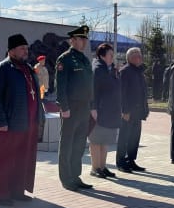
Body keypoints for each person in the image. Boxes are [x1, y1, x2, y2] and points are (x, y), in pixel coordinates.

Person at [0, 34, 44, 205]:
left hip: (26, 124)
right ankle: (0, 193)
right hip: (7, 125)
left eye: (27, 48)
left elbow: (35, 94)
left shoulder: (27, 69)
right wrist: (1, 121)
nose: (26, 51)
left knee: (20, 159)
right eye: (22, 48)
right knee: (2, 160)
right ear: (11, 50)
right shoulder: (1, 69)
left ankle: (16, 190)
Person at [55, 25, 94, 191]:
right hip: (71, 107)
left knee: (79, 144)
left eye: (85, 39)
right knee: (67, 144)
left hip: (84, 107)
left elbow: (89, 84)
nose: (84, 42)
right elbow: (60, 86)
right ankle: (66, 178)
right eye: (81, 38)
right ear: (73, 40)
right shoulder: (65, 59)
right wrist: (64, 107)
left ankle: (75, 176)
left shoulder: (84, 59)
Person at [88, 43, 121, 178]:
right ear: (102, 55)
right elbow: (93, 90)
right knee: (96, 140)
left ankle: (102, 166)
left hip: (110, 110)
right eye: (110, 55)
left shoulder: (110, 68)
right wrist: (93, 108)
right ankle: (95, 168)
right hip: (99, 110)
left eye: (113, 55)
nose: (113, 58)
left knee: (105, 140)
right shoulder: (97, 69)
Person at [116, 47, 149, 173]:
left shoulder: (139, 71)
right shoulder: (125, 71)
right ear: (129, 58)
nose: (139, 57)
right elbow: (121, 93)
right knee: (125, 137)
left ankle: (131, 160)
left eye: (140, 55)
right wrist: (124, 111)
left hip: (138, 111)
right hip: (128, 111)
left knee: (134, 137)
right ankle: (121, 162)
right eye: (136, 55)